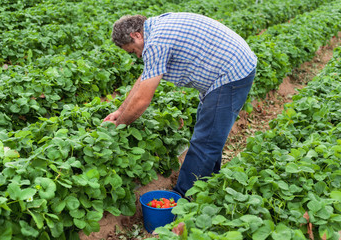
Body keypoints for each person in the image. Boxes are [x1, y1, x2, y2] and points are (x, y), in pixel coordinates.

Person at [104, 12, 257, 197]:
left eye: (133, 50)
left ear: (136, 35)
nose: (137, 55)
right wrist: (120, 111)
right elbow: (146, 77)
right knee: (210, 133)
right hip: (230, 66)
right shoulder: (157, 26)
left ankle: (184, 198)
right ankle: (209, 185)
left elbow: (143, 100)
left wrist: (119, 126)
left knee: (206, 141)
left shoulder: (156, 42)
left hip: (232, 73)